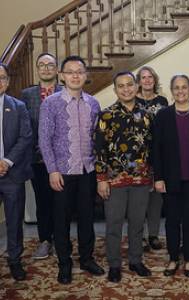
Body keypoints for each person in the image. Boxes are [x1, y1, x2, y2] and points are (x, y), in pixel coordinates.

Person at [39, 55, 104, 284]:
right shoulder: (51, 103)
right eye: (70, 71)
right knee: (61, 220)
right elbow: (44, 140)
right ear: (62, 76)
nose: (75, 75)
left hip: (87, 171)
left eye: (80, 71)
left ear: (85, 76)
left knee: (87, 218)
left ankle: (86, 259)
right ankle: (64, 263)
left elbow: (97, 138)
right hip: (62, 172)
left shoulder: (93, 103)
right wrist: (52, 170)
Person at [95, 71, 153, 283]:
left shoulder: (147, 115)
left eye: (130, 84)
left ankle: (136, 260)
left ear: (137, 87)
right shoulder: (106, 115)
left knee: (138, 223)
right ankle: (114, 264)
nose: (126, 89)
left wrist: (153, 176)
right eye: (121, 86)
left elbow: (152, 148)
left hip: (141, 180)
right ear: (115, 90)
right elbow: (99, 150)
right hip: (114, 181)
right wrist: (101, 179)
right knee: (114, 224)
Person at [152, 74, 189, 277]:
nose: (180, 91)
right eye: (176, 87)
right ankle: (173, 258)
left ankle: (188, 259)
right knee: (172, 221)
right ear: (171, 90)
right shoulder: (163, 116)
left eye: (184, 87)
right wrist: (158, 177)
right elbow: (156, 149)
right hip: (170, 179)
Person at [21, 52, 62, 260]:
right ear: (38, 69)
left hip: (63, 160)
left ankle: (62, 240)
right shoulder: (27, 95)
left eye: (50, 65)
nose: (46, 68)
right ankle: (45, 240)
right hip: (37, 160)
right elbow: (25, 129)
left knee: (62, 202)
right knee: (43, 202)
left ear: (57, 69)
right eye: (41, 65)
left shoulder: (66, 91)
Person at [0, 63, 33, 281]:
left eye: (2, 77)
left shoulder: (18, 106)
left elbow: (26, 136)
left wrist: (6, 161)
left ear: (8, 81)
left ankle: (14, 260)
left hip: (11, 174)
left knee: (14, 221)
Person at [135, 66, 168, 251]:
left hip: (159, 154)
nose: (147, 80)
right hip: (138, 157)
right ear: (138, 81)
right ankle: (137, 235)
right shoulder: (131, 99)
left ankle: (153, 235)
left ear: (154, 80)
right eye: (143, 77)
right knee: (139, 199)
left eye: (150, 77)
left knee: (156, 199)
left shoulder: (162, 101)